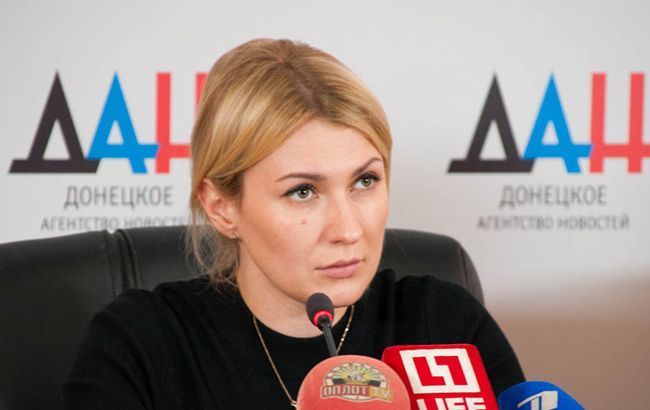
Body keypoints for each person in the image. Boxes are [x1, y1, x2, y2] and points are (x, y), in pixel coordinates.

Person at [63, 38, 524, 409]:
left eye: (365, 181)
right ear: (222, 207)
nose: (347, 230)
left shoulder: (443, 323)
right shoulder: (141, 342)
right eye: (302, 191)